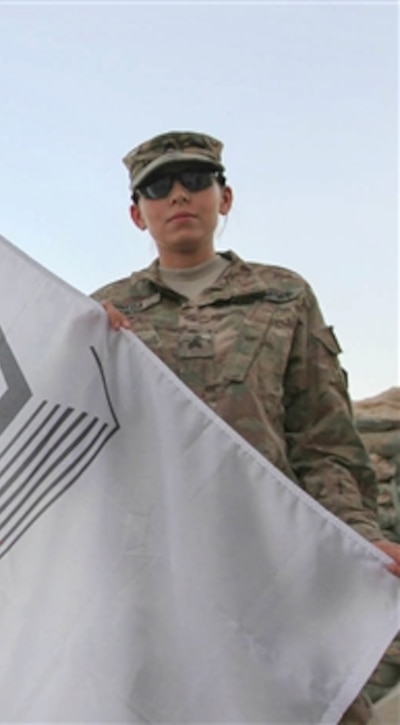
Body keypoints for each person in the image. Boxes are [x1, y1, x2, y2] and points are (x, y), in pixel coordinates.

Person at [93, 130, 400, 725]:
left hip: (278, 557)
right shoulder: (105, 313)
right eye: (158, 187)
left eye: (196, 180)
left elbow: (323, 438)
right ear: (138, 215)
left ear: (224, 198)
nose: (179, 195)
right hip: (158, 568)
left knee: (318, 705)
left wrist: (359, 534)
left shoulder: (282, 295)